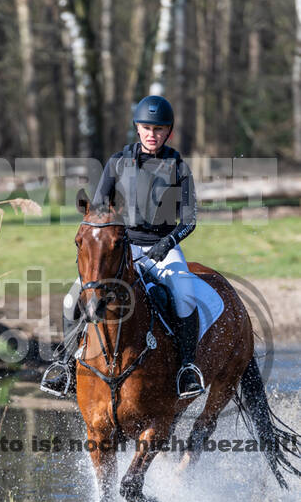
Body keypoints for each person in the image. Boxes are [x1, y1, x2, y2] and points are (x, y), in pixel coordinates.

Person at [41, 95, 205, 400]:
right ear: (137, 128)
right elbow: (100, 208)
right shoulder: (118, 162)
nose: (152, 134)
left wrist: (167, 243)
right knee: (70, 300)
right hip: (122, 249)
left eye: (158, 129)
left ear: (168, 131)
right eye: (146, 128)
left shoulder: (178, 167)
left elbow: (190, 219)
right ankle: (63, 366)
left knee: (184, 294)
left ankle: (186, 368)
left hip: (163, 248)